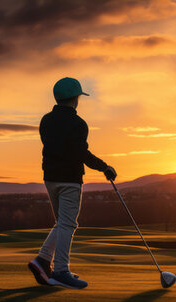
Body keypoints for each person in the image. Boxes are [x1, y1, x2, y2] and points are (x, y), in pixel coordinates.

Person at [27, 77, 116, 289]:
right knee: (68, 224)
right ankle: (60, 271)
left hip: (50, 178)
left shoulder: (45, 120)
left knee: (63, 223)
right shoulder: (78, 124)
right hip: (70, 180)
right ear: (75, 99)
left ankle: (42, 260)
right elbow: (80, 152)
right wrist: (105, 167)